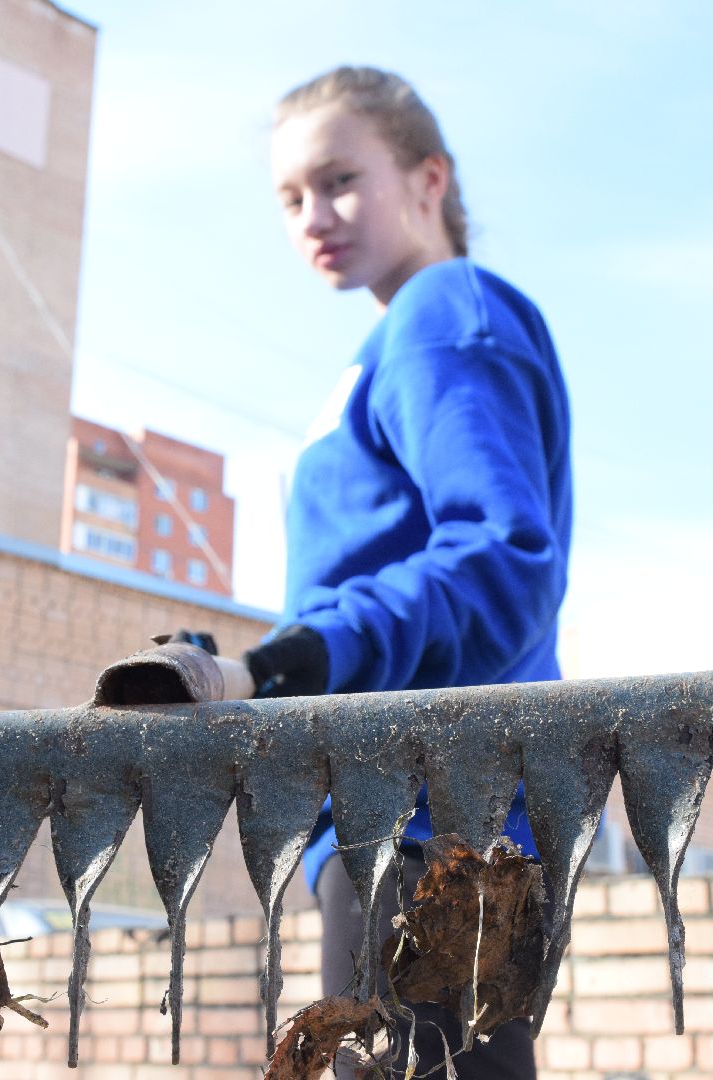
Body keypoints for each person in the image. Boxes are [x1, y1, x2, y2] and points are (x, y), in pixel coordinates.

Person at [240, 66, 573, 1080]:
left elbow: (503, 562)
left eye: (340, 179)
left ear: (430, 180)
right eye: (290, 198)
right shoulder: (394, 340)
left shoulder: (443, 309)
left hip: (439, 822)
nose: (313, 217)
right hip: (404, 810)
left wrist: (297, 657)